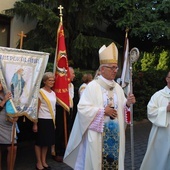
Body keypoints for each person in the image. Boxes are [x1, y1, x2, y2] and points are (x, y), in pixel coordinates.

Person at [63, 42, 136, 170]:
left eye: (116, 68)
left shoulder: (118, 88)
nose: (115, 71)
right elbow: (83, 109)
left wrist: (128, 104)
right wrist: (103, 111)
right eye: (112, 67)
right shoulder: (92, 87)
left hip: (115, 134)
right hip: (98, 135)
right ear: (102, 69)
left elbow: (122, 108)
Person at [140, 71, 170, 170]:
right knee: (160, 160)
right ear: (167, 79)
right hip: (162, 134)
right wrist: (166, 109)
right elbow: (150, 112)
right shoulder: (158, 96)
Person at [32, 72, 56, 170]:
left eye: (53, 80)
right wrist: (35, 123)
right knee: (39, 142)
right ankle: (38, 162)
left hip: (50, 120)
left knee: (46, 142)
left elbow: (54, 109)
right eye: (49, 80)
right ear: (44, 81)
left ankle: (44, 161)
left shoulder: (53, 93)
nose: (52, 82)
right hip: (42, 120)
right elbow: (36, 109)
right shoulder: (40, 92)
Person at [54, 66, 75, 162]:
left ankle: (66, 149)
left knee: (68, 130)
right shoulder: (61, 84)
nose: (74, 75)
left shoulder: (72, 85)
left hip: (68, 110)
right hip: (60, 109)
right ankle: (58, 152)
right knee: (60, 131)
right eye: (72, 73)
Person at [0, 81, 18, 170]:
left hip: (9, 125)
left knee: (13, 148)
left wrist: (16, 115)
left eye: (0, 83)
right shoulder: (5, 97)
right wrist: (4, 101)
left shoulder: (9, 94)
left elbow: (16, 107)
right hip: (0, 126)